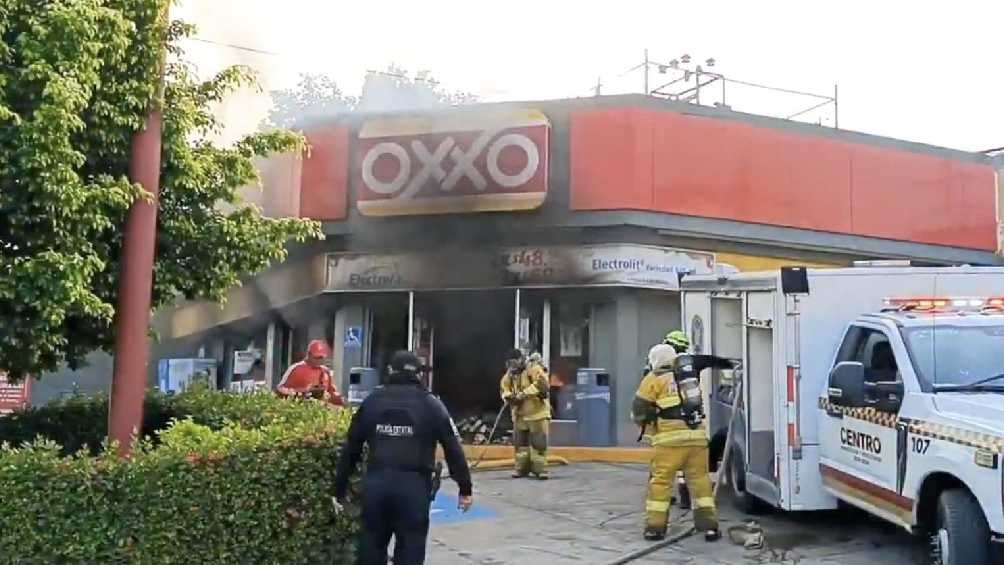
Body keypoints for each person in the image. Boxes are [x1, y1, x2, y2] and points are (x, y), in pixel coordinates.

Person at [333, 350, 473, 565]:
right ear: (419, 375)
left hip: (377, 485)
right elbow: (453, 448)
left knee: (371, 544)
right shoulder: (431, 405)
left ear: (390, 371)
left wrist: (339, 489)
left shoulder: (372, 402)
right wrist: (464, 488)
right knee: (411, 548)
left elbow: (351, 447)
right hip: (414, 488)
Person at [633, 344, 720, 542]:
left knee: (661, 483)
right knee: (700, 483)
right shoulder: (688, 378)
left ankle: (655, 528)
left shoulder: (653, 379)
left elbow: (638, 411)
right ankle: (709, 527)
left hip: (668, 442)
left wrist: (649, 426)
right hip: (697, 439)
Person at [500, 348, 551, 479]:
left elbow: (541, 384)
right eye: (509, 363)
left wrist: (523, 394)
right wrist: (509, 397)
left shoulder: (533, 369)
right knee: (520, 445)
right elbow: (504, 388)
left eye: (514, 362)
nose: (512, 366)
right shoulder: (510, 376)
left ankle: (540, 470)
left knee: (538, 444)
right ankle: (521, 469)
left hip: (537, 414)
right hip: (520, 415)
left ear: (521, 360)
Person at [276, 339, 345, 406]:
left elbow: (331, 393)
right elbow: (280, 390)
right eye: (317, 357)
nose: (319, 360)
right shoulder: (296, 368)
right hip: (300, 409)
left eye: (321, 357)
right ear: (309, 354)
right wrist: (304, 392)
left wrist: (341, 400)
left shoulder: (326, 371)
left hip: (319, 412)